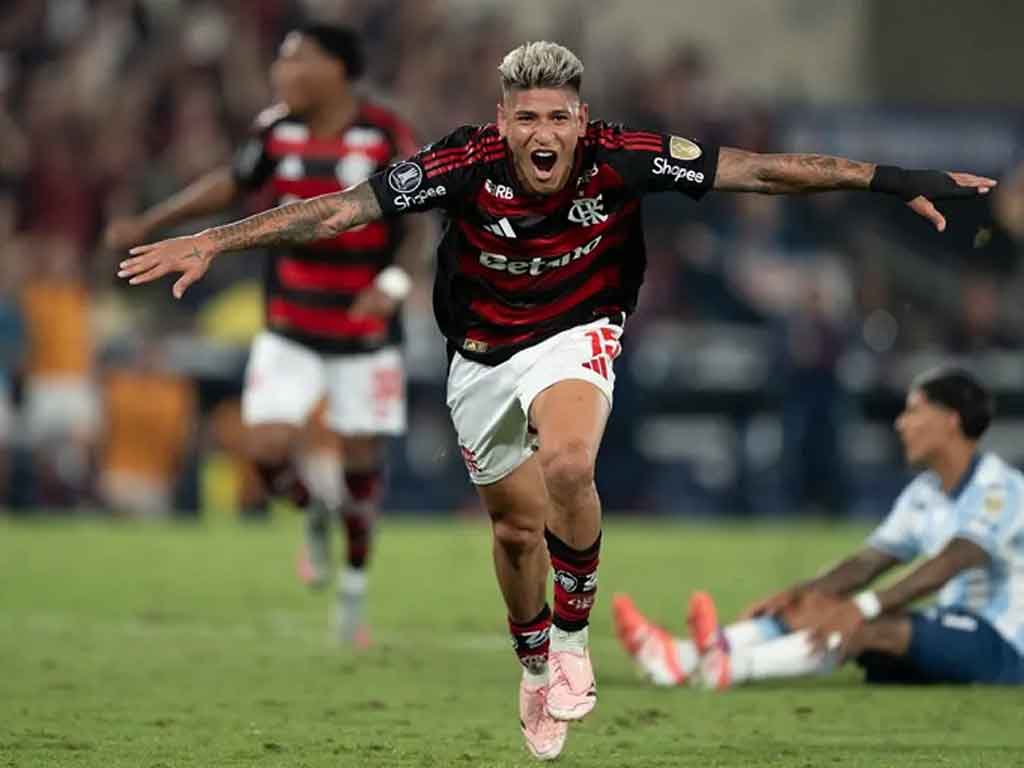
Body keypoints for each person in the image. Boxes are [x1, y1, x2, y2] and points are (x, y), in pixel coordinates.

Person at [116, 41, 997, 760]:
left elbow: (762, 172)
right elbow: (343, 210)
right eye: (527, 116)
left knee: (570, 464)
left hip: (579, 333)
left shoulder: (625, 157)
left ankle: (572, 642)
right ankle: (534, 661)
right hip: (480, 357)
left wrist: (887, 177)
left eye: (559, 116)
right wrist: (217, 238)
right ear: (504, 123)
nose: (544, 131)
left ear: (582, 120)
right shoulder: (461, 162)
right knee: (512, 528)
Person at [105, 24, 432, 644]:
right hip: (291, 322)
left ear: (337, 68)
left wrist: (392, 283)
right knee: (265, 448)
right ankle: (312, 515)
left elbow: (417, 220)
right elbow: (232, 183)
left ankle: (354, 594)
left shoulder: (387, 133)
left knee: (362, 465)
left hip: (365, 328)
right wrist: (152, 221)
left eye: (296, 60)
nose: (282, 73)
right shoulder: (275, 129)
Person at [614, 367, 1024, 691]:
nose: (901, 424)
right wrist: (807, 591)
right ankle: (681, 658)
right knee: (822, 603)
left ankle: (731, 667)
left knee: (866, 625)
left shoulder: (1000, 487)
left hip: (1004, 647)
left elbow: (953, 561)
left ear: (951, 420)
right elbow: (869, 561)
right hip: (953, 630)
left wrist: (865, 605)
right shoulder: (925, 491)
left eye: (914, 411)